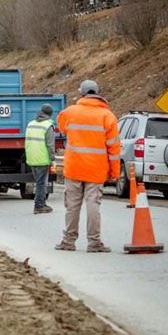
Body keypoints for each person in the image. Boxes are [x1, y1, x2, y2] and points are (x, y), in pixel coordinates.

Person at [55, 80, 120, 253]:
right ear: (98, 93)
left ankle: (68, 241)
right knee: (93, 205)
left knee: (72, 205)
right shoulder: (108, 116)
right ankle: (94, 243)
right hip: (96, 169)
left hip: (74, 167)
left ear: (82, 93)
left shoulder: (69, 112)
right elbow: (114, 148)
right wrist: (115, 172)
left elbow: (61, 127)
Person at [25, 103, 55, 214]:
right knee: (41, 183)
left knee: (39, 182)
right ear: (50, 114)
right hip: (42, 158)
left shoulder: (30, 124)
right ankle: (39, 205)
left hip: (31, 157)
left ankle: (42, 203)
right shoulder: (48, 126)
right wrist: (52, 159)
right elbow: (50, 145)